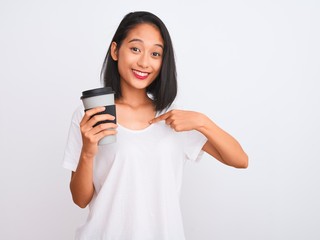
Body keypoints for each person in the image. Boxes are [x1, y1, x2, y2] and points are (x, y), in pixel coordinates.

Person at [63, 11, 248, 240]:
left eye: (155, 54)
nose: (144, 62)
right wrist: (87, 153)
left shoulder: (172, 118)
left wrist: (202, 122)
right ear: (115, 51)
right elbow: (80, 200)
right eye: (135, 49)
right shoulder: (91, 113)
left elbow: (240, 160)